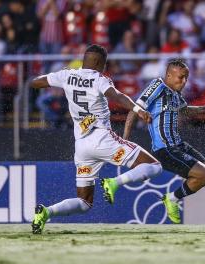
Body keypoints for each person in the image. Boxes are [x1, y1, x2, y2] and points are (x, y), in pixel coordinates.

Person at [30, 44, 163, 234]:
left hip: (82, 146)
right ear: (101, 63)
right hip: (102, 139)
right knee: (155, 166)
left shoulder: (66, 75)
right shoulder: (99, 78)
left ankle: (46, 212)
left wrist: (58, 79)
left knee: (84, 202)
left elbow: (35, 82)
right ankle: (114, 182)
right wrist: (138, 109)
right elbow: (117, 95)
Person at [109, 58, 205, 232]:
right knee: (204, 175)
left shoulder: (175, 94)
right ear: (169, 75)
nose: (183, 82)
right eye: (180, 77)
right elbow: (134, 109)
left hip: (179, 145)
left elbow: (188, 109)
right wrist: (125, 139)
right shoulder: (158, 86)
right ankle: (172, 199)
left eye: (186, 78)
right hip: (164, 149)